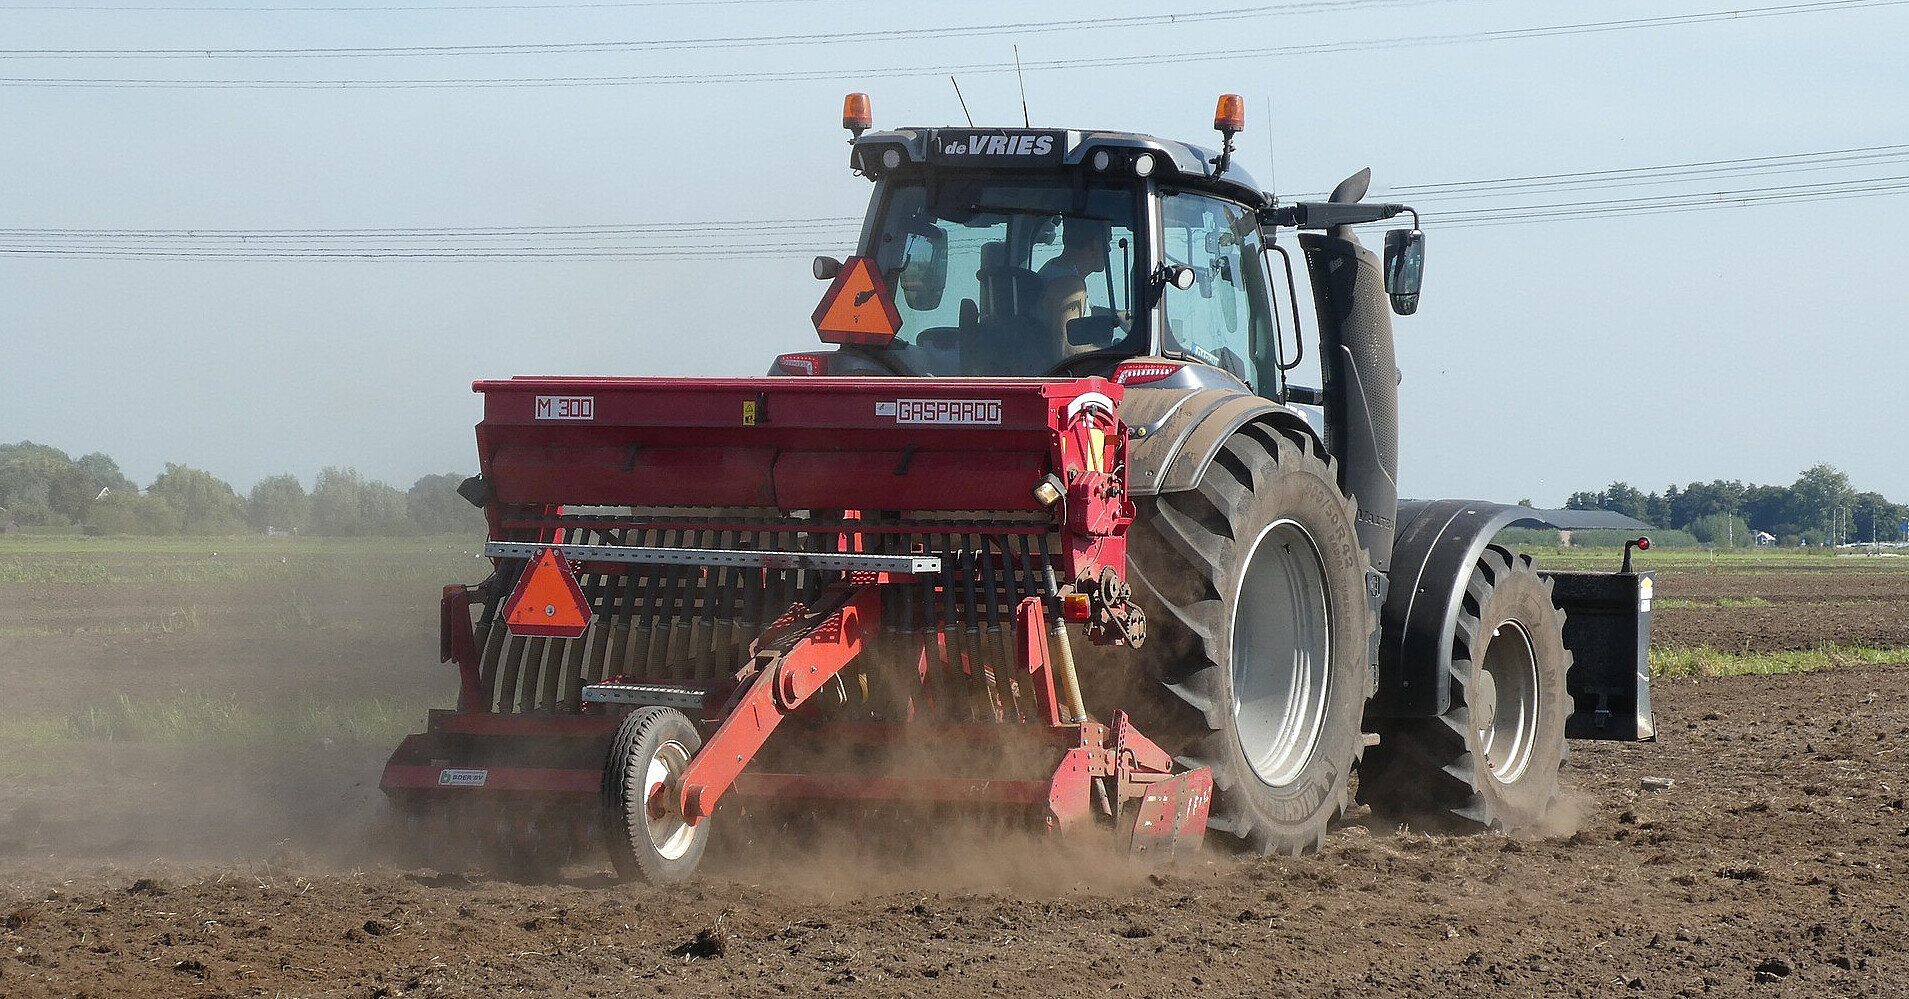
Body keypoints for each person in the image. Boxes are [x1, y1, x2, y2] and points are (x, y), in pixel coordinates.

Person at [1036, 217, 1111, 285]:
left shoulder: (1052, 268)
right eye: (1107, 242)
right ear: (1093, 245)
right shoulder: (1072, 286)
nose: (1109, 249)